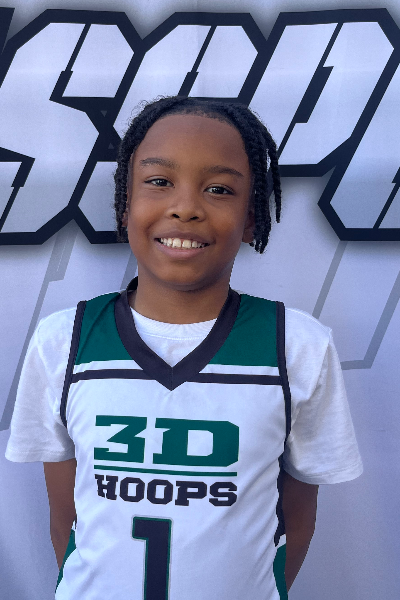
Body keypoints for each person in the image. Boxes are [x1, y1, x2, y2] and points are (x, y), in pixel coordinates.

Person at [6, 96, 363, 600]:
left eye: (219, 189)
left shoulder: (297, 345)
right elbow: (67, 515)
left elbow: (297, 518)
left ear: (251, 219)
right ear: (125, 206)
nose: (186, 207)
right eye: (159, 181)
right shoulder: (62, 340)